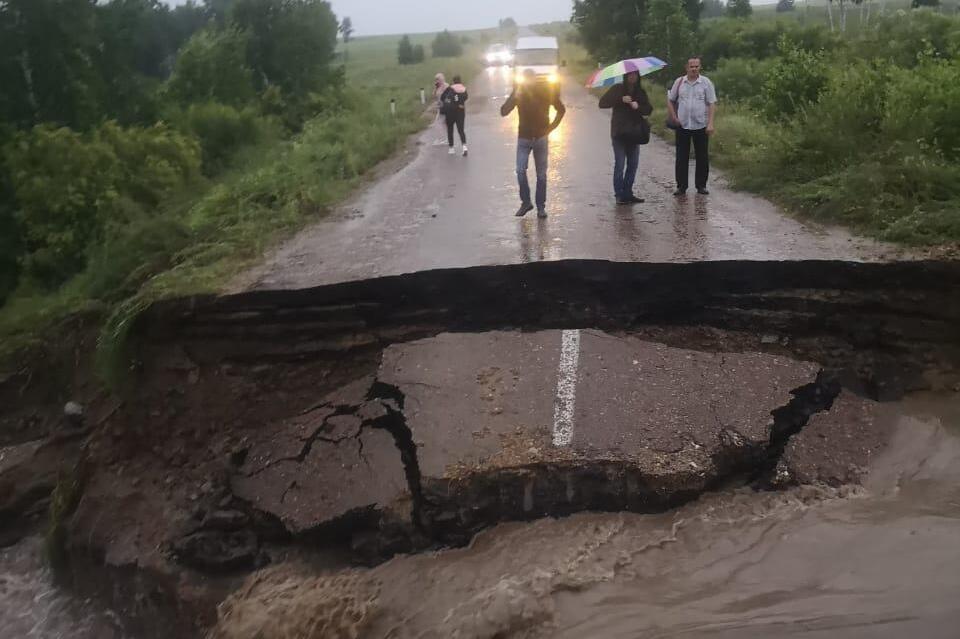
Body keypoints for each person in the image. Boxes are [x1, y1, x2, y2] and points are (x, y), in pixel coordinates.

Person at [500, 68, 566, 218]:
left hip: (541, 137)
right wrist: (514, 97)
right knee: (520, 170)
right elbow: (503, 111)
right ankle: (526, 202)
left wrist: (551, 128)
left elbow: (561, 109)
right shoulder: (519, 92)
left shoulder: (545, 91)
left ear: (535, 80)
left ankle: (541, 208)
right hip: (524, 137)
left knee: (541, 175)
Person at [599, 71, 653, 205]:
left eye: (635, 75)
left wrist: (638, 106)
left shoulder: (640, 92)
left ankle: (628, 192)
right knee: (620, 164)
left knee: (633, 164)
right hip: (619, 133)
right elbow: (602, 103)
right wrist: (620, 99)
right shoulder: (617, 89)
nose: (632, 77)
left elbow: (648, 110)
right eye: (630, 74)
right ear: (625, 76)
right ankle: (619, 195)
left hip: (634, 134)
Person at [666, 57, 717, 196]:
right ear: (686, 68)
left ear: (700, 67)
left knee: (702, 156)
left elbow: (712, 103)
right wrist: (674, 117)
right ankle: (681, 186)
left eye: (696, 66)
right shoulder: (679, 82)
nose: (694, 69)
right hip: (683, 125)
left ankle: (701, 185)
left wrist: (711, 123)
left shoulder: (706, 83)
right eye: (691, 66)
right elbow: (670, 100)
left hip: (701, 125)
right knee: (681, 157)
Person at [439, 75, 469, 156]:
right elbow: (466, 97)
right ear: (460, 80)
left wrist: (449, 102)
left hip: (450, 112)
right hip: (460, 111)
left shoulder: (450, 88)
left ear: (453, 81)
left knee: (450, 130)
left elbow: (442, 97)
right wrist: (459, 102)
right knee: (461, 130)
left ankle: (451, 148)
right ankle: (464, 147)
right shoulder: (464, 89)